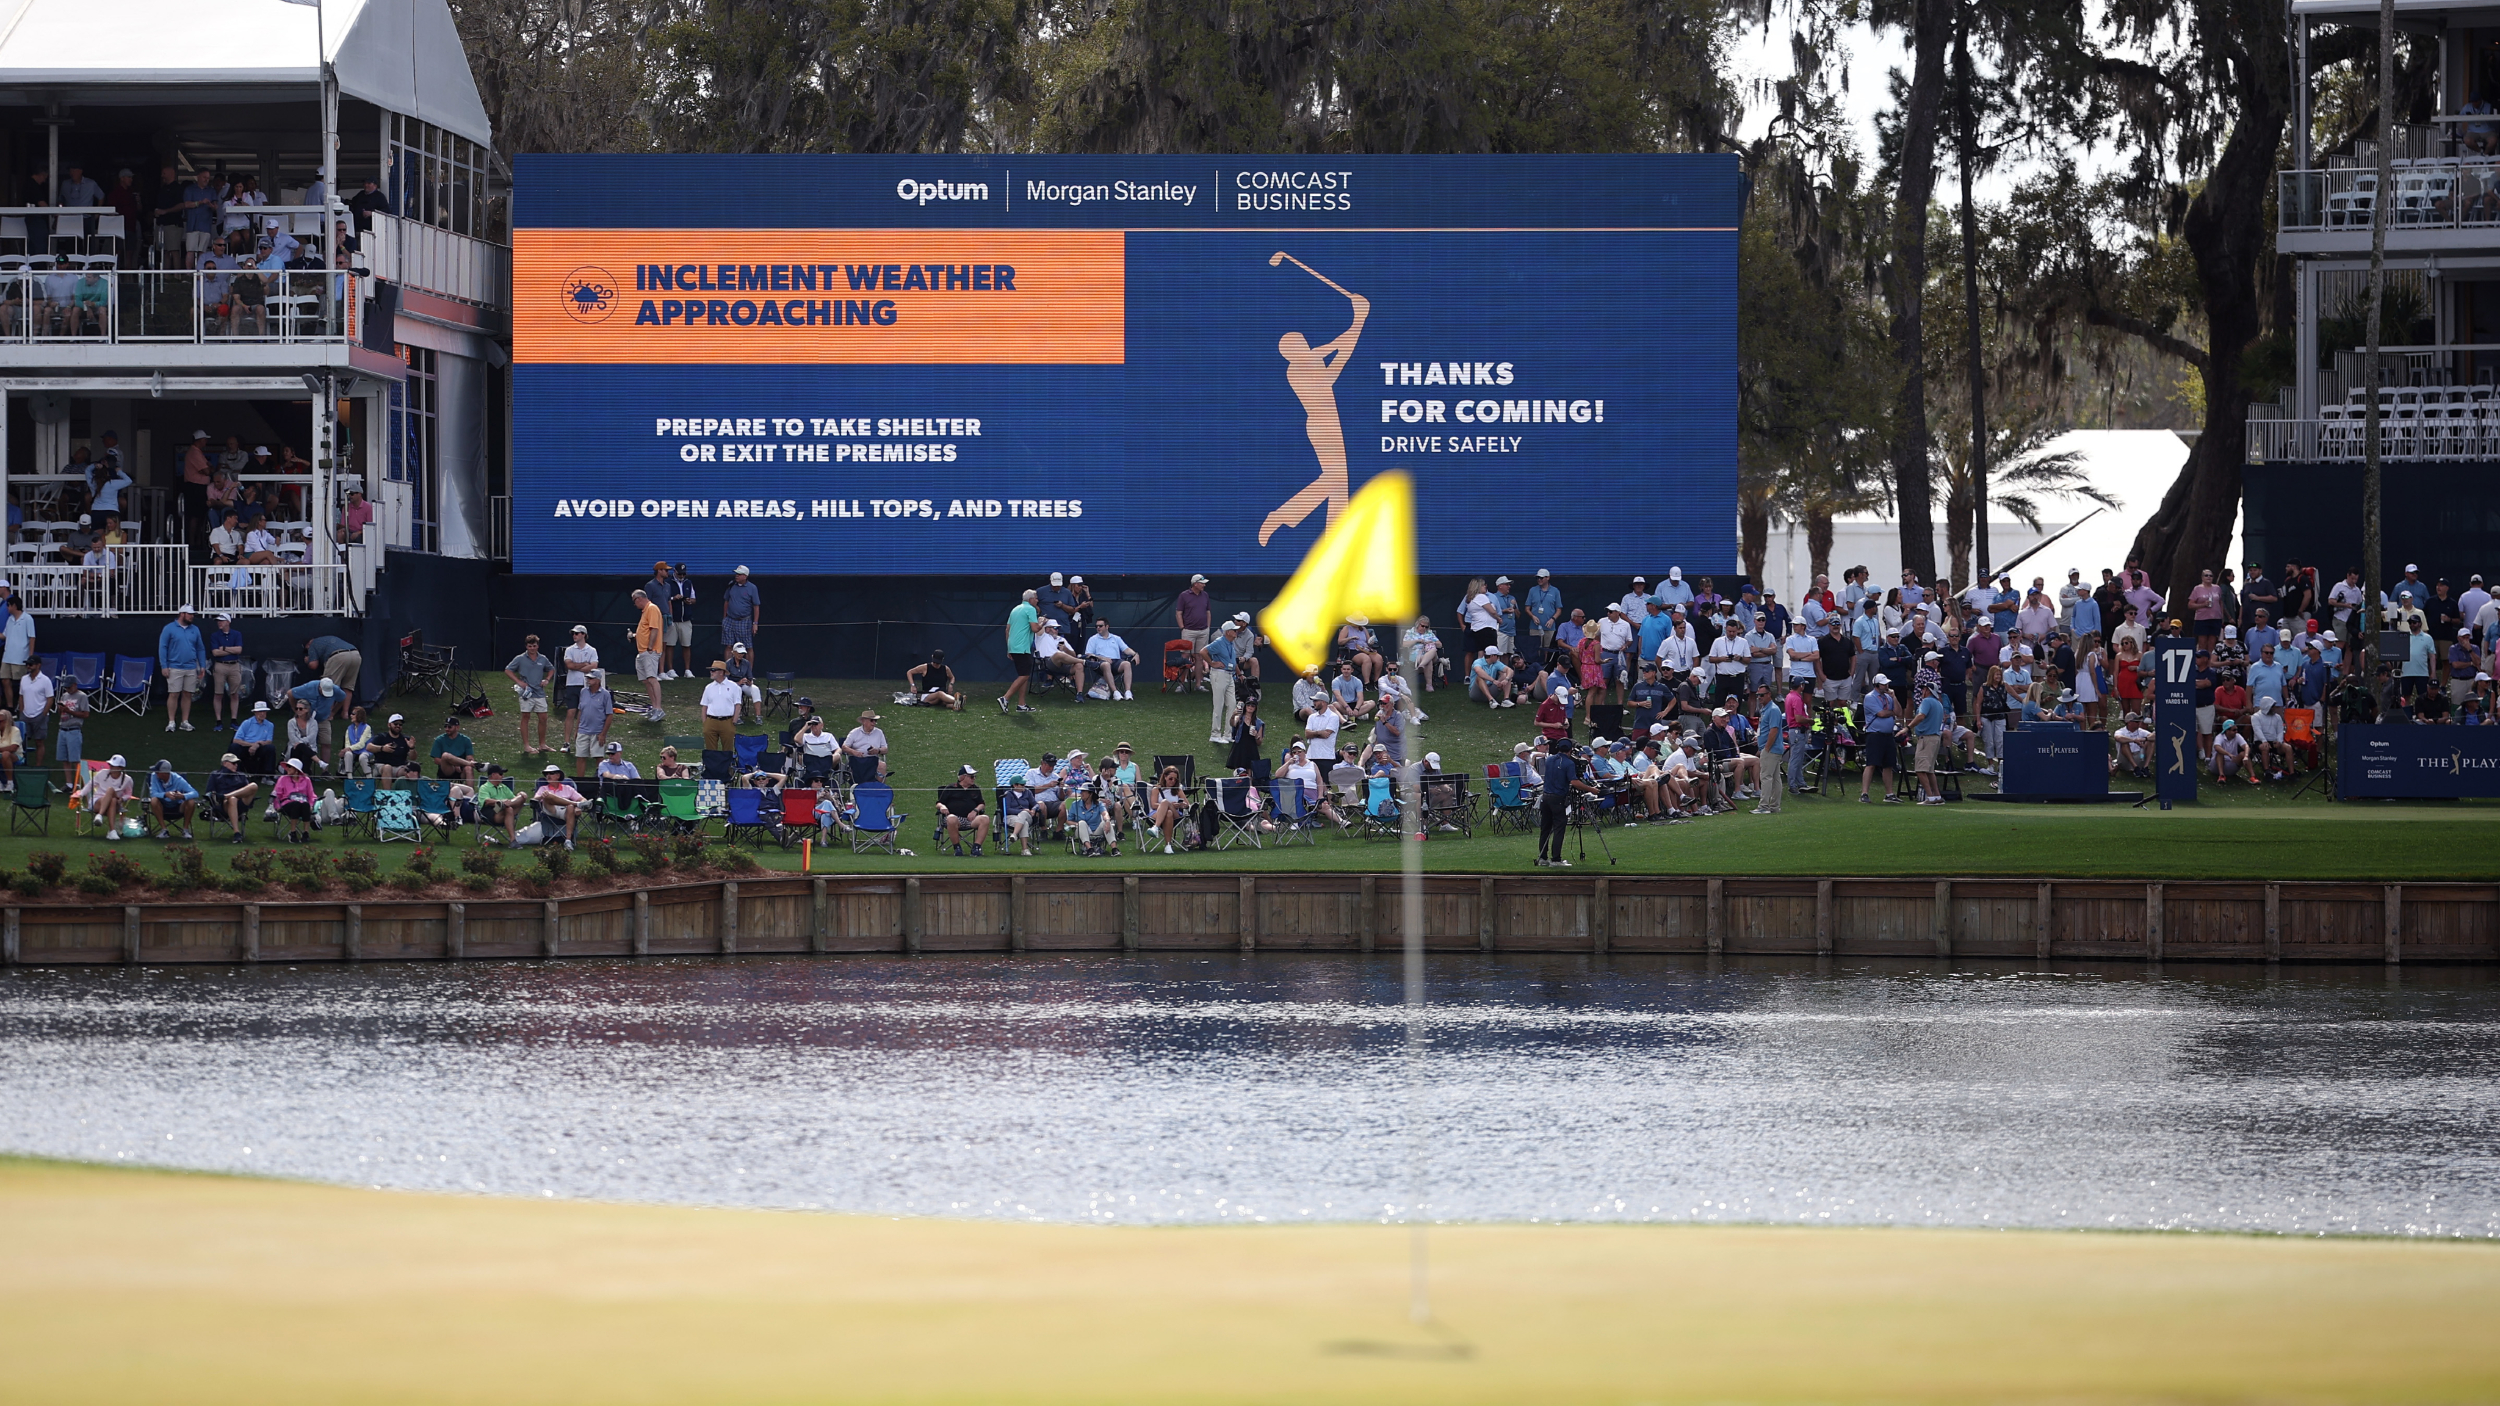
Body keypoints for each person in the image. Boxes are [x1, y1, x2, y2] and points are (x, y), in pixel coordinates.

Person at [1536, 738, 1589, 867]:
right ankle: (1556, 859)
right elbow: (1574, 782)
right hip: (1558, 798)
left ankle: (1543, 858)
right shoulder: (1568, 763)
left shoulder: (1549, 760)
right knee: (1559, 828)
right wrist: (1591, 789)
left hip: (1546, 797)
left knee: (1546, 828)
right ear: (1570, 749)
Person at [157, 604, 206, 732]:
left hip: (190, 666)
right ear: (182, 614)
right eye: (189, 614)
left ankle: (185, 721)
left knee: (188, 694)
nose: (192, 616)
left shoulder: (195, 629)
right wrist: (164, 666)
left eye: (193, 614)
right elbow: (163, 647)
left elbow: (200, 648)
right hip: (174, 666)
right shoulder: (169, 628)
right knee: (174, 694)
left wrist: (202, 666)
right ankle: (171, 721)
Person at [505, 634, 555, 756]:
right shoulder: (520, 658)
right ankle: (526, 746)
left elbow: (551, 669)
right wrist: (519, 682)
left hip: (539, 692)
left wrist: (547, 679)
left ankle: (542, 744)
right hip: (526, 692)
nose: (532, 648)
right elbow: (508, 670)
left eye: (534, 646)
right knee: (526, 717)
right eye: (529, 646)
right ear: (526, 646)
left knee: (543, 717)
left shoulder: (542, 658)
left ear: (538, 646)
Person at [1202, 618, 1244, 742]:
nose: (1237, 632)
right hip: (1219, 675)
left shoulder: (1231, 643)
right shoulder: (1219, 642)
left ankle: (1227, 734)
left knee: (1232, 704)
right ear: (1228, 632)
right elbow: (1203, 651)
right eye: (1234, 630)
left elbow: (1232, 661)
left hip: (1230, 675)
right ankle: (1215, 734)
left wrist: (1239, 674)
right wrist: (1212, 663)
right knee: (1218, 705)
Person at [936, 765, 992, 857]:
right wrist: (942, 807)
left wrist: (975, 810)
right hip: (954, 819)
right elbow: (939, 803)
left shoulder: (975, 789)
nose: (973, 778)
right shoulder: (951, 788)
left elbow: (981, 804)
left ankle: (976, 848)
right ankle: (957, 848)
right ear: (962, 777)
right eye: (971, 776)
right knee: (951, 818)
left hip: (970, 819)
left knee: (985, 818)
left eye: (974, 776)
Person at [1001, 587, 1041, 714]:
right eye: (1036, 598)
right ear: (1030, 599)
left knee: (1024, 674)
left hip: (1013, 646)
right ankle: (1005, 698)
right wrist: (1043, 623)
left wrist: (1009, 648)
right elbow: (1035, 629)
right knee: (1024, 675)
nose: (1037, 600)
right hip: (1022, 647)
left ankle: (1021, 704)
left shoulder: (1015, 609)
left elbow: (1007, 629)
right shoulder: (1030, 609)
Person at [203, 753, 257, 843]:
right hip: (223, 805)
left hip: (241, 803)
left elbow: (247, 790)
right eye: (233, 763)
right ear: (224, 763)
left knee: (254, 785)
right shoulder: (216, 775)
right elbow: (209, 792)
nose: (236, 765)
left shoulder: (241, 775)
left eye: (236, 763)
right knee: (232, 799)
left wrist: (226, 795)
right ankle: (237, 833)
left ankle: (227, 795)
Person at [631, 586, 666, 719]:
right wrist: (635, 636)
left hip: (649, 651)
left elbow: (654, 629)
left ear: (639, 599)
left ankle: (658, 708)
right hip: (642, 651)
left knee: (652, 678)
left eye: (635, 602)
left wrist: (650, 647)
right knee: (646, 680)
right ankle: (653, 707)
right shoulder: (646, 611)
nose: (635, 605)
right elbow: (645, 630)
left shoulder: (652, 608)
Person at [559, 624, 599, 740]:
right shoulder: (569, 649)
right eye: (573, 634)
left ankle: (579, 739)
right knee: (570, 712)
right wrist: (584, 665)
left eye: (576, 633)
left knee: (582, 714)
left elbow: (594, 666)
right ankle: (566, 741)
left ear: (584, 635)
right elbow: (569, 665)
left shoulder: (591, 650)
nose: (574, 636)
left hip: (585, 684)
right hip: (572, 684)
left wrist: (577, 667)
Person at [533, 764, 586, 850]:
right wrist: (541, 796)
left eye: (551, 773)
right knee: (548, 795)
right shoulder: (543, 788)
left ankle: (568, 840)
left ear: (558, 775)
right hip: (550, 809)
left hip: (564, 811)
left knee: (570, 807)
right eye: (546, 774)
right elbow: (534, 799)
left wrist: (578, 808)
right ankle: (574, 803)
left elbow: (583, 800)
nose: (548, 776)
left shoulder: (567, 788)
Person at [573, 670, 615, 779]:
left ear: (598, 680)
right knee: (580, 757)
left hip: (597, 732)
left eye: (591, 679)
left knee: (598, 758)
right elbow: (581, 711)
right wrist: (577, 729)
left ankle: (600, 782)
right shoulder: (583, 692)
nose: (588, 680)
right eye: (588, 678)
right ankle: (581, 782)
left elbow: (609, 715)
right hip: (583, 730)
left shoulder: (605, 694)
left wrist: (603, 734)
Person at [145, 759, 200, 840]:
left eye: (157, 771)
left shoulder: (178, 779)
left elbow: (195, 793)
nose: (155, 773)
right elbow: (153, 793)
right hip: (162, 806)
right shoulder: (154, 776)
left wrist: (182, 796)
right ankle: (164, 830)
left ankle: (185, 830)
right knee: (154, 800)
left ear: (164, 773)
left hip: (178, 806)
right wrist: (165, 794)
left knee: (191, 801)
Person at [720, 564, 763, 666]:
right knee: (729, 646)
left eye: (739, 574)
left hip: (744, 620)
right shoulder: (731, 585)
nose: (736, 576)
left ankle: (749, 673)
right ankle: (728, 671)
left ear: (745, 576)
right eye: (736, 574)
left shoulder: (752, 588)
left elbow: (756, 606)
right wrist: (724, 618)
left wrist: (755, 623)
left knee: (748, 647)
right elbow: (726, 601)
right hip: (730, 619)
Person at [267, 757, 317, 843]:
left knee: (305, 805)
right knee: (296, 804)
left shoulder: (306, 780)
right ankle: (293, 833)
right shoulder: (283, 779)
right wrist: (277, 806)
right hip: (287, 805)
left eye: (290, 766)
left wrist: (311, 805)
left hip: (303, 805)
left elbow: (312, 795)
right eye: (287, 766)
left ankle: (305, 833)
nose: (287, 768)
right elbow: (276, 793)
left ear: (296, 769)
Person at [474, 764, 522, 845]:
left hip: (507, 810)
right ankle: (513, 840)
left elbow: (514, 798)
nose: (503, 776)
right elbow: (487, 801)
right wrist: (501, 801)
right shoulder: (484, 787)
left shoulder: (503, 787)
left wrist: (519, 797)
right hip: (491, 811)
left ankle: (513, 840)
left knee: (521, 797)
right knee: (507, 807)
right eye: (501, 774)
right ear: (493, 775)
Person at [699, 658, 741, 753]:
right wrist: (705, 723)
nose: (711, 672)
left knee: (727, 750)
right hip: (711, 721)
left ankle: (726, 767)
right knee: (710, 750)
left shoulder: (734, 686)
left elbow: (737, 705)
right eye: (711, 670)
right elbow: (704, 706)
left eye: (713, 670)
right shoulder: (708, 687)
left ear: (721, 672)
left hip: (727, 721)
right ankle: (712, 767)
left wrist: (734, 721)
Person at [230, 700, 273, 777]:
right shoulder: (247, 723)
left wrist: (258, 745)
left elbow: (269, 741)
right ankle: (236, 772)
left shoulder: (270, 725)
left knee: (270, 748)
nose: (262, 714)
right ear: (255, 713)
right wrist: (252, 745)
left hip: (260, 747)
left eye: (264, 711)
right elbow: (236, 740)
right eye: (260, 712)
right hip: (245, 746)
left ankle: (268, 775)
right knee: (234, 747)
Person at [793, 716, 841, 784]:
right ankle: (821, 779)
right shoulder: (806, 736)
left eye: (816, 724)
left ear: (822, 725)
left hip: (826, 760)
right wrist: (805, 727)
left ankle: (817, 780)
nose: (813, 726)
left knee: (837, 756)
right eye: (812, 724)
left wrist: (835, 754)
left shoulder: (828, 736)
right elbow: (796, 739)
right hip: (811, 760)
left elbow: (838, 749)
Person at [369, 712, 414, 783]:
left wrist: (412, 748)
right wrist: (382, 748)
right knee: (387, 768)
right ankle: (388, 793)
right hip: (381, 766)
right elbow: (369, 747)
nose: (398, 726)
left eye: (400, 724)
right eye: (395, 724)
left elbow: (413, 758)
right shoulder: (381, 737)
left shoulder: (405, 739)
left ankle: (404, 793)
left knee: (409, 771)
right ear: (389, 725)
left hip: (399, 767)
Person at [432, 715, 477, 784]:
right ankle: (472, 764)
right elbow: (436, 760)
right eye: (445, 726)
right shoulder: (439, 740)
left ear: (457, 727)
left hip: (461, 769)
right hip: (447, 769)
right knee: (445, 756)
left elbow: (469, 757)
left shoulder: (465, 740)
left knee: (469, 768)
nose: (447, 729)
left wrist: (467, 762)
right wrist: (454, 764)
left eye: (450, 727)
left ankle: (470, 793)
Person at [1227, 695, 1267, 772]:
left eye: (1253, 705)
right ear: (1245, 706)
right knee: (1238, 772)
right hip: (1239, 747)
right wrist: (1233, 715)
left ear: (1255, 708)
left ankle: (1249, 783)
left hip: (1251, 749)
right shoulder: (1239, 718)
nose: (1250, 707)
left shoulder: (1259, 723)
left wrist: (1256, 736)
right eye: (1248, 704)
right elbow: (1232, 724)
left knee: (1249, 772)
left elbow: (1259, 742)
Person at [1470, 643, 1516, 708]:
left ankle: (1506, 699)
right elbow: (1478, 671)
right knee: (1479, 677)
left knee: (1506, 675)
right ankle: (1491, 700)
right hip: (1476, 693)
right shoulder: (1478, 662)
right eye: (1497, 656)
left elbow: (1510, 670)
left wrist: (1506, 679)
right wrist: (1493, 680)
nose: (1498, 658)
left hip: (1491, 688)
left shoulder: (1496, 663)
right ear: (1492, 656)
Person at [1404, 616, 1443, 689]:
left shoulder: (1429, 633)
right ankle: (1429, 685)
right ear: (1417, 624)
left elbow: (1440, 645)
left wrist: (1432, 643)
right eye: (1422, 626)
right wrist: (1417, 641)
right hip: (1416, 655)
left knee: (1433, 650)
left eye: (1426, 627)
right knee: (1429, 661)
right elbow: (1404, 644)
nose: (1424, 628)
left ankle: (1421, 665)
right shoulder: (1410, 632)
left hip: (1430, 654)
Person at [340, 706, 374, 777]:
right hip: (353, 751)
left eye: (353, 714)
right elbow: (347, 743)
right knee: (348, 754)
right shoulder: (349, 728)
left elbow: (361, 744)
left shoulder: (367, 728)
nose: (351, 715)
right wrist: (347, 749)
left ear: (359, 715)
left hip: (365, 750)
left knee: (362, 757)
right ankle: (349, 778)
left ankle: (369, 778)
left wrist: (349, 748)